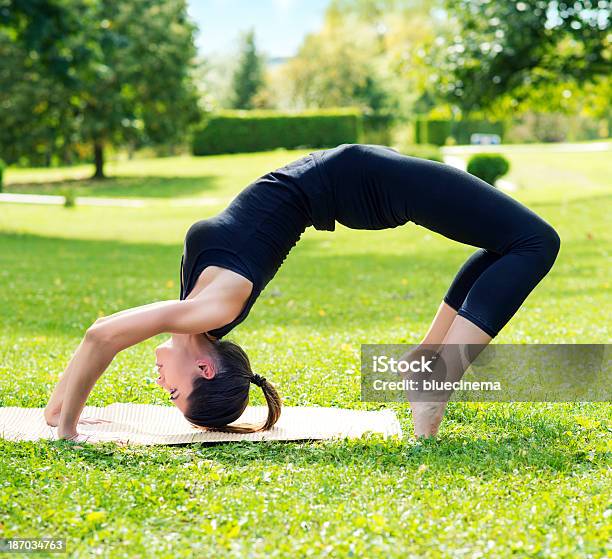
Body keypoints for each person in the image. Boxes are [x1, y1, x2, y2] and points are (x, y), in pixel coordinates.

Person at [45, 143, 560, 441]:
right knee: (535, 242)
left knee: (512, 245)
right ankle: (433, 376)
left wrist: (59, 416)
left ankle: (428, 366)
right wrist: (67, 422)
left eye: (171, 397)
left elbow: (101, 335)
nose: (162, 386)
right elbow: (102, 336)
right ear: (205, 369)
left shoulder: (200, 311)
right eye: (175, 393)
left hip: (353, 176)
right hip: (361, 180)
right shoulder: (209, 310)